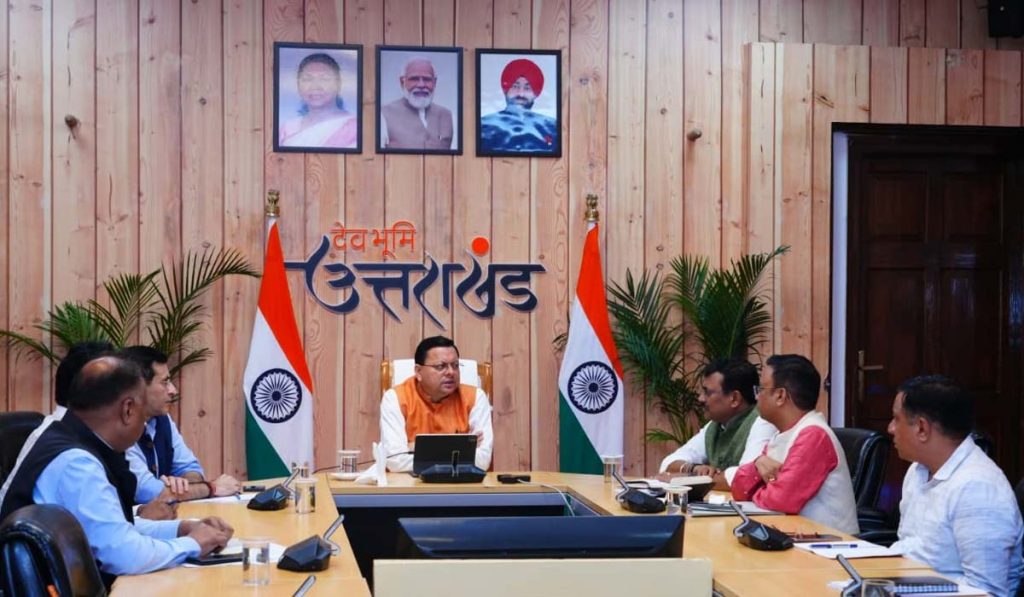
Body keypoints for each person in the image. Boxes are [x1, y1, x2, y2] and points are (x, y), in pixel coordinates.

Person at [0, 356, 232, 588]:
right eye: (144, 415)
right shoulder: (77, 463)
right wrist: (193, 544)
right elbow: (123, 554)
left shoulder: (69, 437)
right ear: (128, 410)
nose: (144, 424)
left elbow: (109, 529)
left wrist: (180, 529)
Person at [887, 375, 1022, 596]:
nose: (891, 428)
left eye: (896, 419)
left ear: (922, 428)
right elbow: (908, 548)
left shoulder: (978, 489)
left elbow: (986, 591)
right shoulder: (918, 470)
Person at [730, 354, 859, 534]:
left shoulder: (814, 435)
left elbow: (781, 500)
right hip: (793, 537)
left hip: (829, 543)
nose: (757, 396)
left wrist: (757, 492)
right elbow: (738, 489)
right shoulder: (781, 434)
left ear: (780, 396)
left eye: (761, 389)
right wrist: (758, 464)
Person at [120, 346, 240, 503]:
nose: (173, 390)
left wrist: (180, 485)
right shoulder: (118, 428)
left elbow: (191, 468)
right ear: (139, 388)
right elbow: (148, 492)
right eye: (165, 382)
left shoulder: (162, 419)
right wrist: (212, 488)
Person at [657, 359, 777, 490]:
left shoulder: (762, 421)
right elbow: (667, 464)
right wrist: (693, 468)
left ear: (734, 398)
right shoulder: (713, 426)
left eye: (708, 392)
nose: (700, 398)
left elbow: (746, 478)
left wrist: (685, 480)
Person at [380, 336, 493, 472]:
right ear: (418, 372)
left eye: (455, 365)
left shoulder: (475, 397)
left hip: (461, 482)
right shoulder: (396, 398)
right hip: (409, 483)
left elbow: (482, 461)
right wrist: (458, 448)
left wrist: (415, 447)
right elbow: (395, 461)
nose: (451, 372)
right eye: (441, 366)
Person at [479, 58, 558, 154]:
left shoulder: (552, 127)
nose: (521, 94)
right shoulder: (484, 126)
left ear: (535, 93)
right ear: (506, 90)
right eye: (515, 86)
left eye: (527, 88)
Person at [279, 52, 357, 148]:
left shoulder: (354, 127)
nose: (315, 87)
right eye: (307, 79)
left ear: (338, 84)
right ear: (298, 85)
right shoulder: (287, 129)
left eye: (324, 79)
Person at [379, 57, 454, 150]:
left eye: (427, 79)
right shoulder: (383, 114)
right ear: (402, 82)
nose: (421, 85)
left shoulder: (447, 115)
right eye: (414, 79)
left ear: (434, 83)